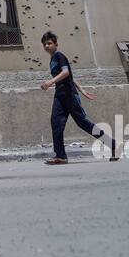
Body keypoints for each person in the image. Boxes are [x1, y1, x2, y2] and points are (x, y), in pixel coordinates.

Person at [39, 31, 118, 164]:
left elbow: (66, 72)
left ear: (56, 44)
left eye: (49, 43)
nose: (47, 46)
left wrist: (50, 82)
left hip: (69, 95)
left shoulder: (60, 56)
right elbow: (69, 76)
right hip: (59, 96)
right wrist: (82, 89)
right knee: (56, 124)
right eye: (44, 44)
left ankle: (112, 144)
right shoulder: (52, 59)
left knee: (83, 123)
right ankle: (61, 156)